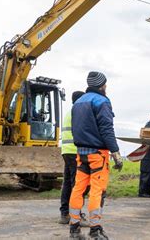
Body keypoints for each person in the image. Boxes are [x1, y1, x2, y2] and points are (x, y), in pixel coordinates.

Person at [69, 71, 123, 240]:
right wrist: (116, 152)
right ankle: (95, 230)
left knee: (78, 189)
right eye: (105, 84)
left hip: (81, 154)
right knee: (96, 191)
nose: (106, 87)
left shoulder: (78, 102)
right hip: (97, 154)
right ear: (101, 85)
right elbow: (107, 129)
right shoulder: (101, 101)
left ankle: (74, 229)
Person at [58, 91, 89, 226]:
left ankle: (65, 214)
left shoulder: (70, 111)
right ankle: (75, 215)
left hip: (67, 151)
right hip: (75, 152)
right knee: (78, 185)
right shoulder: (78, 111)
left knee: (68, 184)